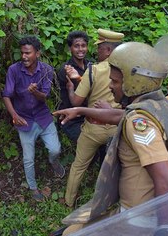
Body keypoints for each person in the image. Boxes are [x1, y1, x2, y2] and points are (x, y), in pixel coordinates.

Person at [55, 39, 168, 234]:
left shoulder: (139, 124)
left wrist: (166, 231)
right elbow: (123, 115)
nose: (110, 86)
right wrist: (81, 110)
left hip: (139, 219)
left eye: (115, 81)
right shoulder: (162, 105)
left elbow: (166, 181)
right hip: (144, 212)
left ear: (135, 82)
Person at [63, 29, 123, 208]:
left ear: (108, 51)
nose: (96, 51)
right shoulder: (127, 70)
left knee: (78, 166)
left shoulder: (94, 70)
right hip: (115, 126)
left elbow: (76, 101)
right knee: (113, 167)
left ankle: (68, 201)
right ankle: (108, 201)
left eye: (99, 48)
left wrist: (70, 89)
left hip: (93, 128)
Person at [2, 36, 64, 202]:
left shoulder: (47, 70)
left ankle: (54, 162)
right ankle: (33, 187)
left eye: (28, 53)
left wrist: (34, 92)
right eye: (22, 53)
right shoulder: (14, 70)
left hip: (43, 117)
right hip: (24, 120)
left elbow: (44, 97)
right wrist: (14, 115)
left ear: (37, 53)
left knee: (55, 149)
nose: (24, 57)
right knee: (28, 158)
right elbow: (7, 95)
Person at [57, 31, 91, 143]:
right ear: (70, 48)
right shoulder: (66, 70)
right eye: (76, 46)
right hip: (72, 118)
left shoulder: (91, 66)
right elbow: (75, 101)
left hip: (90, 114)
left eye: (83, 46)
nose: (80, 49)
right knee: (86, 143)